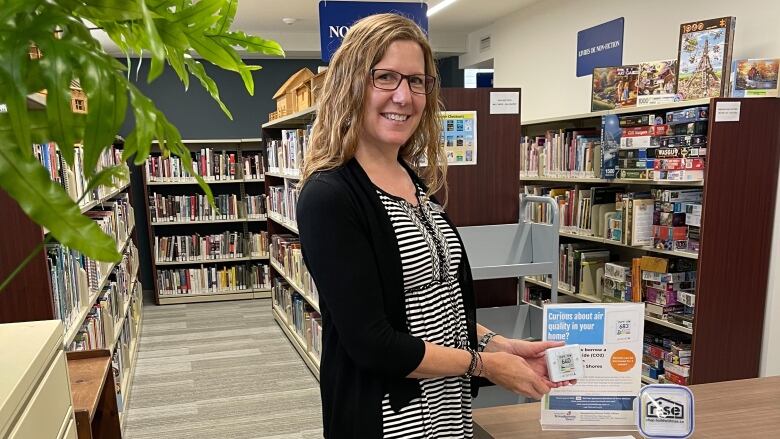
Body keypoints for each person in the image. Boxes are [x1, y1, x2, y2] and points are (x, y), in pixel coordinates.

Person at [296, 13, 572, 439]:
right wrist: (484, 366)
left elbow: (432, 308)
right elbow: (372, 341)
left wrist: (501, 346)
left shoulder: (415, 182)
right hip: (388, 421)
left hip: (446, 413)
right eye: (385, 77)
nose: (404, 96)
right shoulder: (330, 196)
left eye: (417, 81)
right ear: (351, 84)